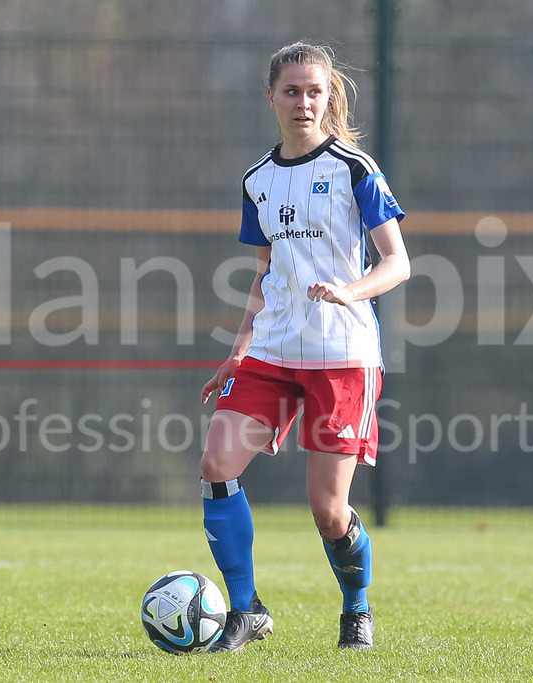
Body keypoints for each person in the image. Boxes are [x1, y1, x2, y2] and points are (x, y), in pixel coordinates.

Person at [198, 41, 410, 653]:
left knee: (327, 508)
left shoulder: (354, 169)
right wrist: (238, 350)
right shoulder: (257, 180)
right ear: (271, 97)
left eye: (315, 91)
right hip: (272, 352)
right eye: (291, 91)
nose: (304, 102)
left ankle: (357, 608)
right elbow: (266, 274)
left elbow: (397, 262)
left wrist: (351, 291)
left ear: (329, 97)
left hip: (342, 355)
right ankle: (245, 611)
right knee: (216, 464)